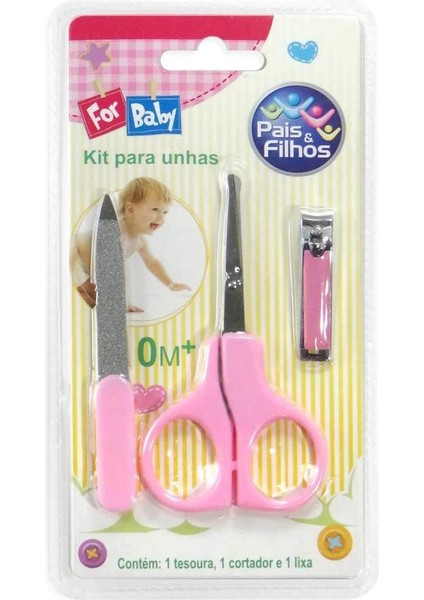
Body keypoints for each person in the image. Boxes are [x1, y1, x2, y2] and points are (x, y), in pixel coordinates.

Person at [71, 177, 191, 311]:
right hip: (75, 251)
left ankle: (86, 290)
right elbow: (112, 273)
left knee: (95, 290)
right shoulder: (115, 231)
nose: (161, 218)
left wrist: (170, 284)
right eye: (155, 209)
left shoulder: (140, 241)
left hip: (88, 269)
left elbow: (152, 263)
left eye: (165, 212)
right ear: (130, 209)